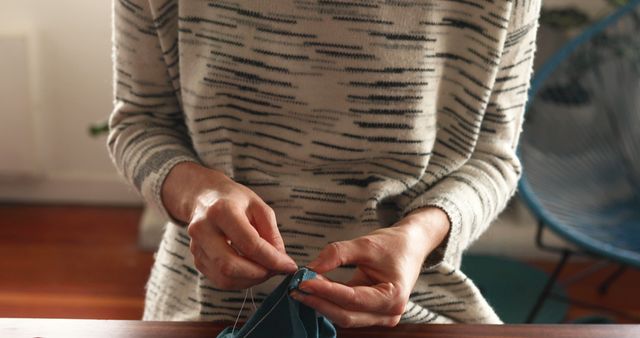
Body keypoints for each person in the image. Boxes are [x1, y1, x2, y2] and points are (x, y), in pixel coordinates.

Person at [108, 0, 541, 326]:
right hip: (205, 309)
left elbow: (493, 156)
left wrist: (419, 235)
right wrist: (200, 194)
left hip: (411, 309)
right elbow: (139, 122)